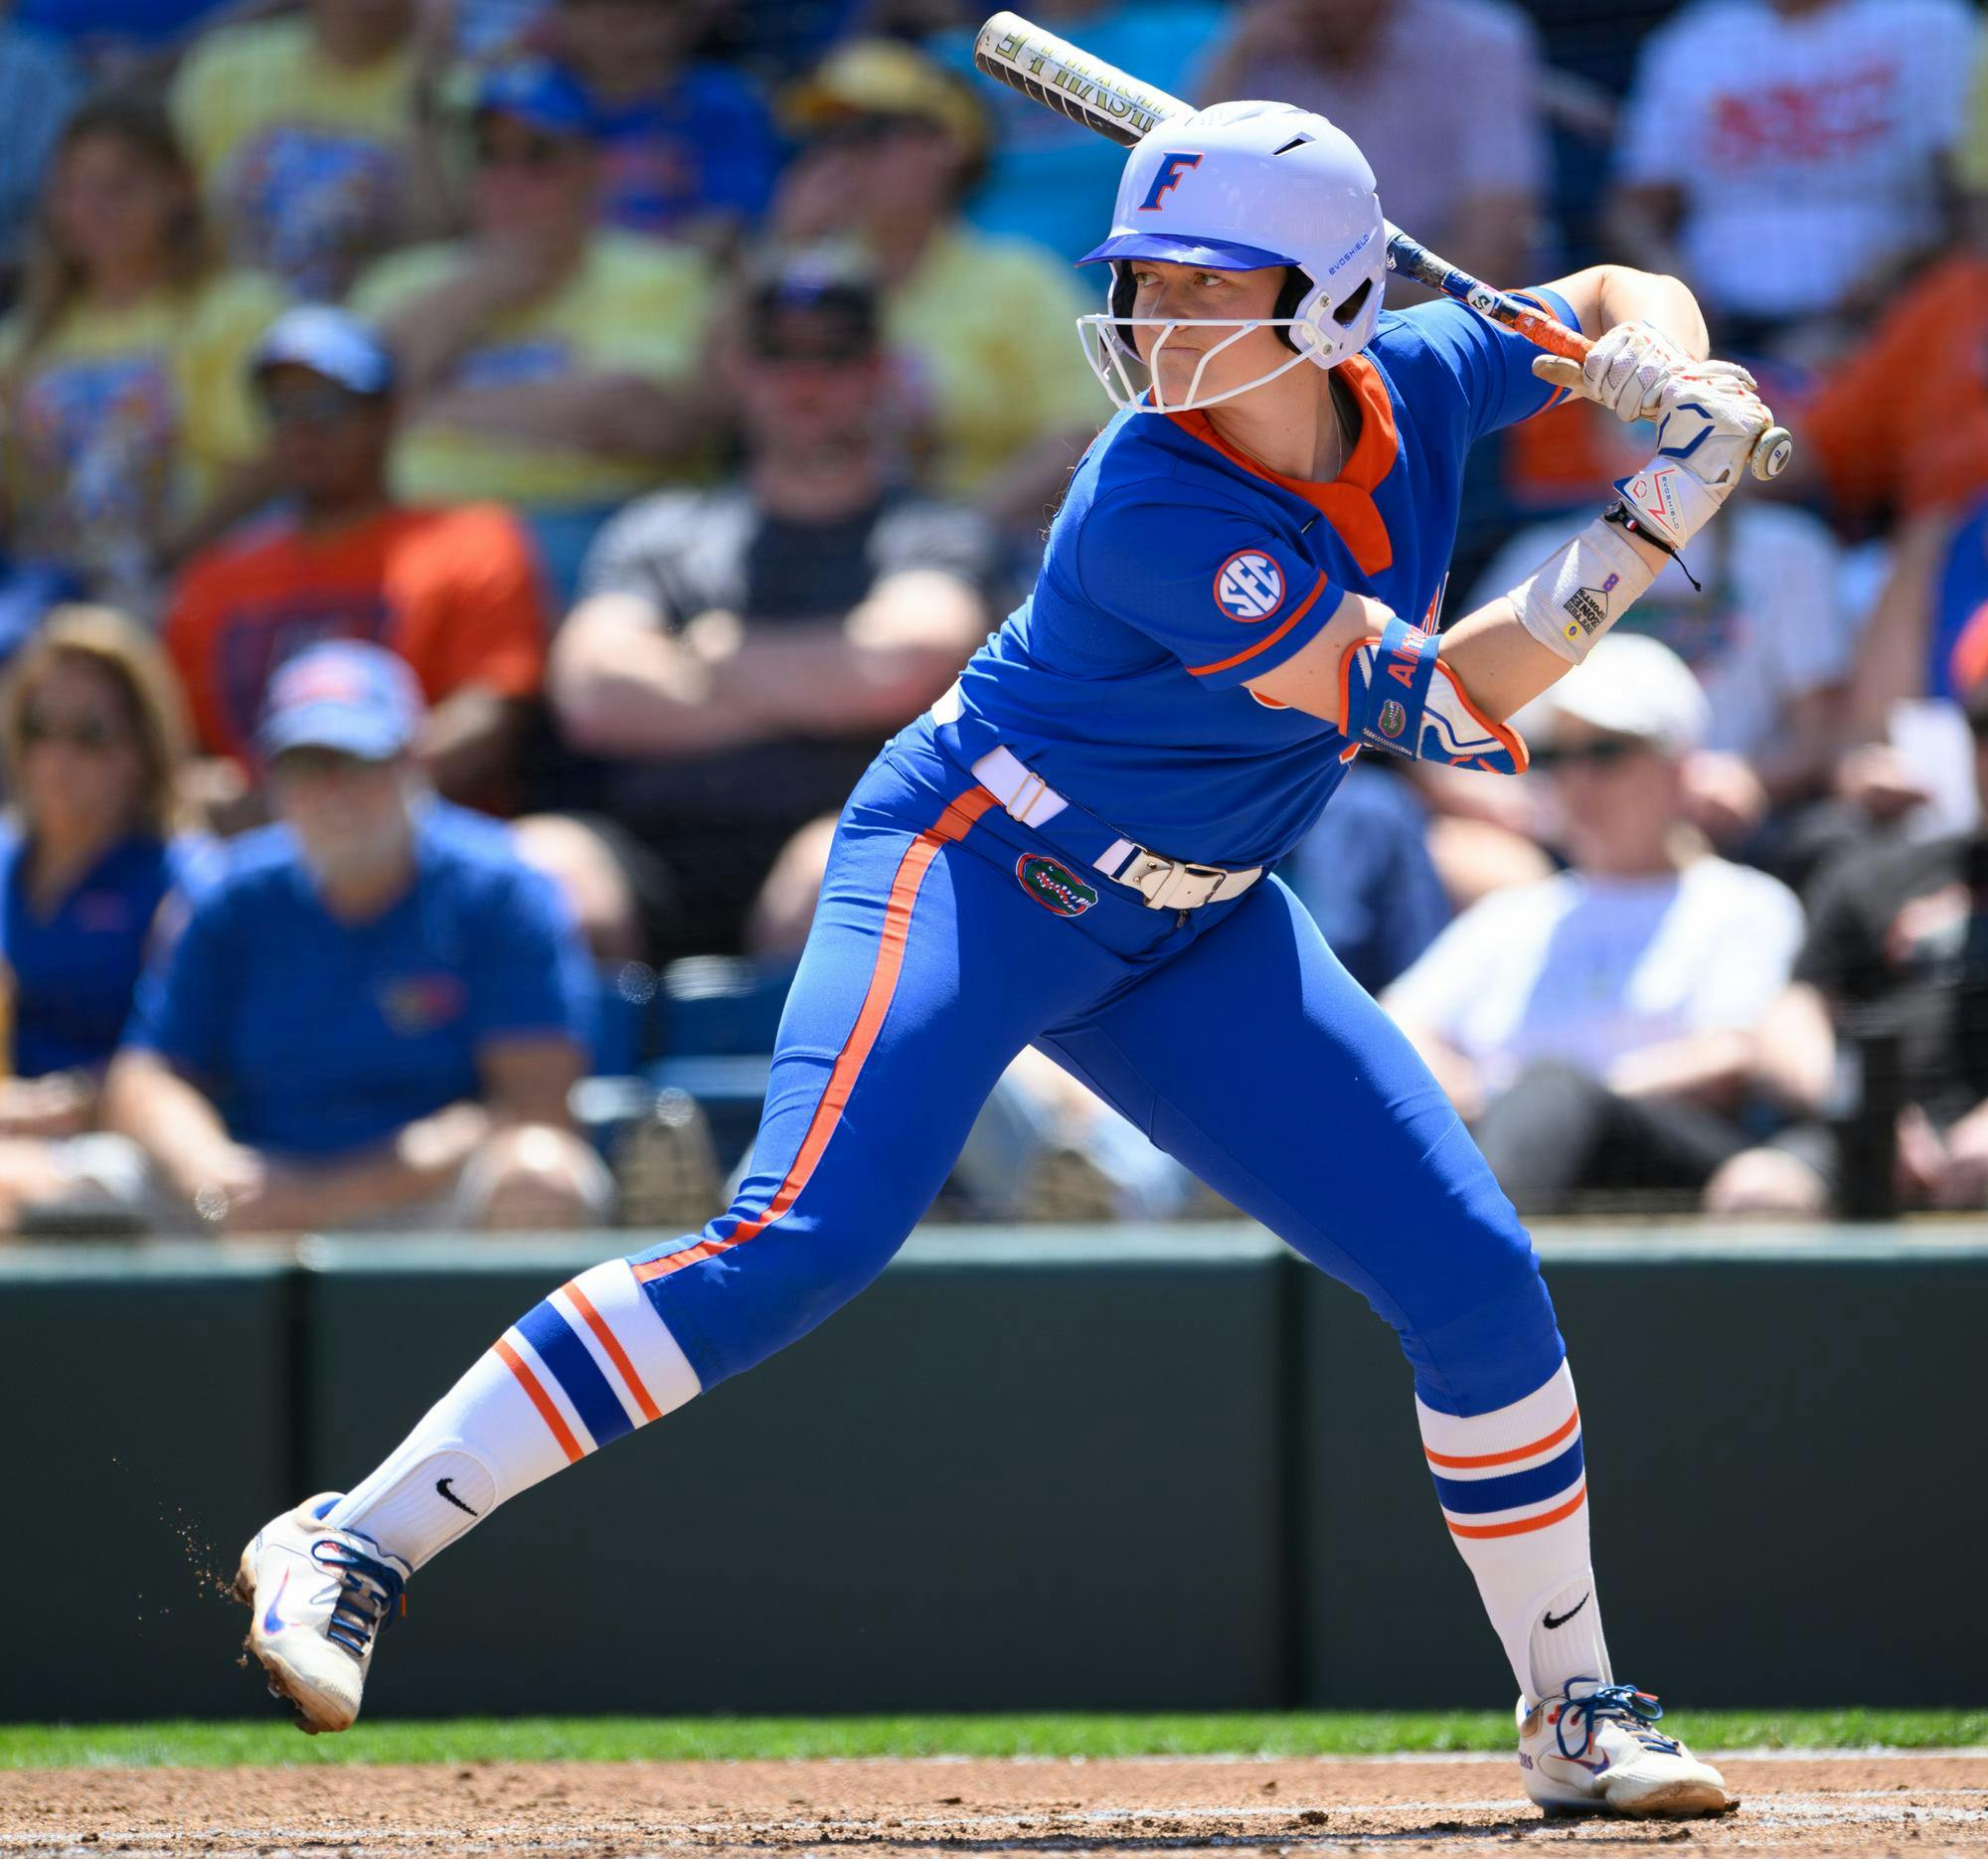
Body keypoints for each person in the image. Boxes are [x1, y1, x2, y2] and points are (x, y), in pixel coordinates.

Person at [232, 95, 1775, 1819]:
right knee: (796, 1242)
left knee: (1475, 1271)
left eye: (1206, 286)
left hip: (1198, 921)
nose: (1154, 320)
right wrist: (1643, 525)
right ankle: (355, 1539)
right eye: (1150, 282)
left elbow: (1631, 279)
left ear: (1326, 301)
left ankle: (1575, 1713)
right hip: (979, 861)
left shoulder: (1422, 370)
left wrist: (1658, 364)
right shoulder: (1151, 501)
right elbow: (1441, 697)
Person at [543, 249, 1001, 962]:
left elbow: (903, 668)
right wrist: (820, 683)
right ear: (737, 371)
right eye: (777, 354)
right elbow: (594, 694)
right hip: (646, 851)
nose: (805, 381)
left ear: (879, 370)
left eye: (834, 356)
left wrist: (709, 652)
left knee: (834, 872)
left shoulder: (935, 532)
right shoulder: (657, 531)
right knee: (545, 870)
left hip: (837, 834)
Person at [102, 640, 608, 1236]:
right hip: (254, 1191)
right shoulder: (231, 894)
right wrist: (211, 1172)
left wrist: (325, 1197)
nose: (333, 792)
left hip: (426, 1192)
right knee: (53, 1188)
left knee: (540, 1176)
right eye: (307, 767)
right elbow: (147, 1076)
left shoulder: (498, 888)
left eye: (358, 762)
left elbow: (535, 1106)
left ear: (411, 762)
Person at [1383, 635, 1804, 1215]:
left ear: (1678, 768)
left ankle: (1456, 1271)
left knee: (1555, 1091)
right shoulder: (1516, 911)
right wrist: (1471, 1090)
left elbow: (1729, 1057)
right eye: (1558, 758)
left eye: (1605, 754)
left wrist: (1527, 1097)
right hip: (1505, 1147)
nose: (1576, 782)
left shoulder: (1744, 902)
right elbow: (1398, 1026)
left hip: (1661, 1169)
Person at [349, 59, 718, 602]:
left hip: (590, 529)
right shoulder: (402, 280)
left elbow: (638, 419)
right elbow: (348, 417)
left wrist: (429, 404)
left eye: (538, 157)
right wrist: (484, 286)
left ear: (593, 168)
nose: (509, 182)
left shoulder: (665, 275)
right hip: (408, 528)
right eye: (488, 157)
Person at [165, 305, 548, 819]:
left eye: (326, 406)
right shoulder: (214, 579)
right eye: (282, 408)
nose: (303, 430)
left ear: (386, 415)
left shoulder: (473, 543)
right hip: (253, 864)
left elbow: (489, 721)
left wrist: (327, 810)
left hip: (425, 855)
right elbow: (171, 752)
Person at [774, 38, 1106, 530]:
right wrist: (780, 245)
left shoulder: (1019, 279)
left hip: (987, 552)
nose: (842, 159)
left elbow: (1083, 432)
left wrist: (955, 538)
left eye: (868, 134)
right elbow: (717, 405)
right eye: (828, 138)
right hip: (815, 533)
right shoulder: (800, 276)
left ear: (946, 145)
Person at [1707, 671, 1988, 1218]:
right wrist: (1864, 1106)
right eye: (1983, 727)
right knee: (1756, 1192)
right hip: (1879, 1137)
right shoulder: (1880, 876)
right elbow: (1790, 1019)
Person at [0, 95, 287, 621]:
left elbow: (265, 463)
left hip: (192, 577)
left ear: (178, 188)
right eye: (74, 189)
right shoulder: (18, 343)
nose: (93, 209)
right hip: (39, 588)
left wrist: (162, 556)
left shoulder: (236, 309)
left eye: (118, 187)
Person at [1465, 476, 1851, 858]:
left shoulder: (1788, 548)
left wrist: (1752, 779)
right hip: (1557, 819)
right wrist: (1508, 801)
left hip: (1728, 825)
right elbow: (1447, 702)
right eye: (1630, 420)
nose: (1655, 437)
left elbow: (1823, 732)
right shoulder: (1540, 551)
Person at [0, 605, 210, 1233]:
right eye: (40, 729)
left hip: (132, 1151)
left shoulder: (187, 878)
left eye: (90, 735)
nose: (58, 756)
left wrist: (48, 1111)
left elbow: (188, 1061)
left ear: (144, 749)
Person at [1608, 0, 1976, 354]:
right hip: (1722, 337)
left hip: (1889, 323)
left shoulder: (1930, 23)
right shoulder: (1693, 38)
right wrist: (1672, 289)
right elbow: (1633, 209)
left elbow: (1971, 202)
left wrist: (1909, 269)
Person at [1196, 0, 1546, 310]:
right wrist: (1235, 53)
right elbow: (1192, 200)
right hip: (1303, 327)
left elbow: (1491, 248)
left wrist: (1338, 320)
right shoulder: (1260, 45)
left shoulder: (1481, 40)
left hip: (1450, 318)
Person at [170, 0, 439, 300]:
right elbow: (175, 217)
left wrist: (430, 68)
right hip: (233, 314)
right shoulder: (223, 67)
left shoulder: (441, 82)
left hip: (372, 320)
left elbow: (437, 232)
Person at [544, 0, 780, 251]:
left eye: (641, 12)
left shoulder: (723, 102)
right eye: (594, 8)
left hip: (680, 273)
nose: (617, 26)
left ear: (681, 18)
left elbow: (729, 218)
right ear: (564, 17)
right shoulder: (532, 100)